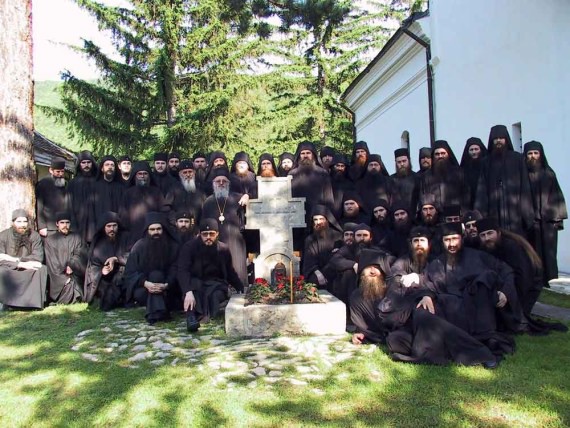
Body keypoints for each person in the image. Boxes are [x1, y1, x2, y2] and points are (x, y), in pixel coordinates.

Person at [350, 249, 497, 367]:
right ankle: (440, 351)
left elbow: (417, 290)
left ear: (382, 271)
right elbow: (364, 325)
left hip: (415, 314)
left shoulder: (393, 283)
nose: (372, 271)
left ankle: (480, 354)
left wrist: (427, 295)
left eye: (375, 268)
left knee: (424, 318)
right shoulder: (356, 298)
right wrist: (359, 334)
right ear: (361, 272)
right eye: (367, 268)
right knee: (395, 341)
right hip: (400, 329)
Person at [423, 222, 518, 351]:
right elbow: (427, 284)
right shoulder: (436, 264)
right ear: (442, 242)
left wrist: (505, 292)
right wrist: (427, 296)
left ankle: (486, 336)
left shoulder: (479, 256)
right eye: (447, 240)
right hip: (452, 314)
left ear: (462, 238)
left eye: (455, 239)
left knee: (485, 279)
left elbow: (506, 271)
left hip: (478, 310)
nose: (451, 244)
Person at [477, 217, 568, 334]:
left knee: (509, 321)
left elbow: (524, 276)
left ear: (498, 232)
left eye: (490, 233)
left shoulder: (511, 247)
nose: (487, 238)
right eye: (483, 235)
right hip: (508, 286)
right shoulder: (486, 247)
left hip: (528, 287)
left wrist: (510, 297)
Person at [177, 219, 244, 331]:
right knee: (193, 292)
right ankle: (191, 318)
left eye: (212, 234)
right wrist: (187, 292)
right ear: (200, 234)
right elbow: (182, 271)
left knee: (214, 296)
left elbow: (230, 271)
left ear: (217, 234)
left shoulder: (223, 249)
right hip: (195, 283)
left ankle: (204, 315)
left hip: (216, 284)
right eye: (205, 234)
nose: (208, 237)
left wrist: (240, 288)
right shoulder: (189, 247)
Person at [475, 125, 534, 235]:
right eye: (495, 138)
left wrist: (527, 215)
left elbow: (525, 186)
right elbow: (482, 190)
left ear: (506, 139)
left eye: (501, 138)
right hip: (494, 212)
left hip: (515, 214)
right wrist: (481, 215)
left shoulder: (517, 159)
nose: (498, 141)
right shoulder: (486, 162)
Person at [123, 212, 180, 324]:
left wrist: (166, 285)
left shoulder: (173, 246)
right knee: (143, 289)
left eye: (158, 229)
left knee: (157, 275)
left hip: (168, 290)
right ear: (147, 231)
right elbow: (130, 272)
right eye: (152, 229)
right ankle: (160, 311)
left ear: (163, 229)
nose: (156, 232)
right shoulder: (139, 246)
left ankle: (154, 314)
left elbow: (176, 269)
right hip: (145, 290)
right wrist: (145, 283)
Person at [523, 141, 567, 284]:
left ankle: (550, 279)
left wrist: (557, 219)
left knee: (548, 252)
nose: (533, 156)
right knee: (531, 251)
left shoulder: (549, 174)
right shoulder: (523, 176)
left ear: (541, 155)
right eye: (530, 153)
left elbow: (557, 197)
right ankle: (535, 279)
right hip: (530, 221)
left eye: (536, 153)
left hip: (548, 221)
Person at [201, 169, 248, 286]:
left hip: (236, 238)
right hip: (216, 239)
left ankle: (240, 289)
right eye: (218, 181)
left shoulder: (239, 198)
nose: (221, 183)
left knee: (237, 266)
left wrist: (248, 195)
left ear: (228, 183)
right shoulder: (208, 202)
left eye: (224, 181)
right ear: (213, 183)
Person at [0, 209, 47, 309]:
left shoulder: (34, 235)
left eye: (25, 221)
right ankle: (7, 303)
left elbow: (38, 257)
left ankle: (32, 304)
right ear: (13, 223)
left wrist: (19, 260)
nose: (22, 225)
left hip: (29, 267)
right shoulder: (3, 236)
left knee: (41, 269)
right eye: (19, 222)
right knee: (1, 270)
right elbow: (1, 257)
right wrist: (18, 264)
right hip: (10, 267)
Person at [84, 212, 130, 310]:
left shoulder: (126, 237)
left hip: (123, 275)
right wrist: (102, 271)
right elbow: (93, 266)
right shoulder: (98, 242)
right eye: (108, 226)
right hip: (105, 279)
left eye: (114, 225)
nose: (112, 229)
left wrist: (116, 259)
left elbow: (133, 256)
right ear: (103, 227)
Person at [120, 161, 168, 248]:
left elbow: (163, 211)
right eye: (140, 174)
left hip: (153, 233)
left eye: (145, 174)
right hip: (133, 235)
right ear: (135, 176)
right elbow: (123, 215)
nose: (142, 176)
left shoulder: (156, 192)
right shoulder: (128, 193)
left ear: (149, 175)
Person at [43, 211, 85, 304]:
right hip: (58, 277)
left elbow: (80, 253)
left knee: (77, 286)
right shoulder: (50, 240)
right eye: (62, 223)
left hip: (75, 272)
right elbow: (52, 262)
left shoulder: (77, 237)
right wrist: (64, 278)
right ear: (57, 224)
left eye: (67, 222)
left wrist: (71, 265)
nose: (65, 225)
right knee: (68, 287)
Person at [419, 140, 470, 214]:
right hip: (435, 217)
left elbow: (466, 195)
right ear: (433, 156)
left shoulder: (459, 173)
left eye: (443, 153)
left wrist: (463, 211)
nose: (440, 156)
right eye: (437, 154)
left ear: (448, 154)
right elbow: (424, 198)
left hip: (456, 215)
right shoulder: (426, 176)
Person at [302, 205, 342, 289]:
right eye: (315, 220)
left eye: (321, 219)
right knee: (314, 280)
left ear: (327, 220)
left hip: (335, 270)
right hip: (317, 270)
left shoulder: (338, 236)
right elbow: (309, 260)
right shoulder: (310, 239)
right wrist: (318, 273)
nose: (318, 222)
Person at [36, 157, 71, 237]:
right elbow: (39, 205)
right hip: (49, 227)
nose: (60, 174)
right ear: (51, 170)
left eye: (62, 171)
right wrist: (41, 226)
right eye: (57, 171)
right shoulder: (43, 184)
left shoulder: (65, 184)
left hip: (64, 225)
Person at [67, 150, 98, 243]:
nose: (86, 165)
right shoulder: (73, 183)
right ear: (79, 165)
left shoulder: (98, 182)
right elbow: (69, 204)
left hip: (95, 221)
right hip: (78, 221)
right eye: (83, 163)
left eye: (89, 162)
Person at [169, 159, 205, 227]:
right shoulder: (174, 189)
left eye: (190, 172)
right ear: (180, 174)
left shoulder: (200, 189)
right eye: (185, 172)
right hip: (178, 228)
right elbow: (167, 208)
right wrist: (175, 221)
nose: (188, 175)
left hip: (197, 228)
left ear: (194, 172)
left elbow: (205, 209)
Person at [92, 155, 125, 229]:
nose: (110, 167)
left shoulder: (121, 188)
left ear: (115, 168)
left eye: (112, 165)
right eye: (107, 165)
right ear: (102, 169)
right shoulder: (94, 187)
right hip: (99, 227)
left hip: (117, 228)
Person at [460, 137, 487, 208]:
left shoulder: (487, 166)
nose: (474, 152)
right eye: (471, 150)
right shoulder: (463, 170)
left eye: (476, 149)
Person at [391, 148, 419, 215]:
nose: (402, 164)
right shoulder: (390, 180)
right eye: (399, 162)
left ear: (408, 161)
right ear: (396, 163)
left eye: (404, 161)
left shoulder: (417, 177)